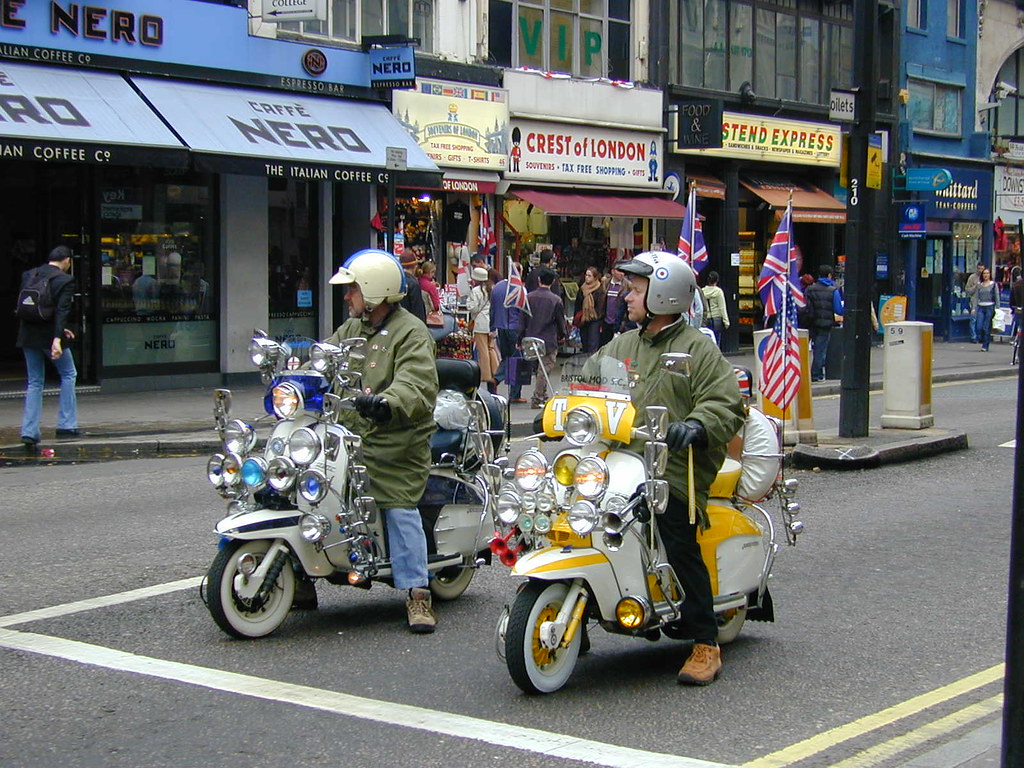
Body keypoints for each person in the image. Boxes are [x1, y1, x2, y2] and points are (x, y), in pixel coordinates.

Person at [598, 251, 744, 685]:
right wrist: (563, 405)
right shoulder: (623, 344)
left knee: (676, 536)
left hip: (674, 465)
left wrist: (696, 425)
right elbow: (589, 381)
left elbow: (725, 402)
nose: (627, 297)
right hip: (622, 460)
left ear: (663, 295)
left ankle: (705, 643)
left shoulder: (698, 348)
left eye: (637, 290)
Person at [325, 249, 440, 633]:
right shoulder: (352, 330)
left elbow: (417, 381)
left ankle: (417, 593)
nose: (347, 297)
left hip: (395, 441)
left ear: (374, 291)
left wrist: (388, 401)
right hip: (349, 435)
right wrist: (296, 375)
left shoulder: (411, 332)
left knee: (398, 505)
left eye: (353, 290)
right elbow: (326, 359)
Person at [17, 245, 79, 448]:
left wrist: (62, 331)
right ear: (66, 260)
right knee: (69, 373)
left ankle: (29, 431)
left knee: (35, 382)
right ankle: (66, 424)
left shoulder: (29, 274)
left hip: (28, 335)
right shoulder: (65, 280)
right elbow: (61, 310)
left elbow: (32, 307)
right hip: (49, 337)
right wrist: (57, 339)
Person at [519, 268, 566, 408]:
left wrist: (519, 338)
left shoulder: (529, 297)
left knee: (538, 369)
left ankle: (541, 394)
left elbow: (522, 319)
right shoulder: (556, 300)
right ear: (552, 282)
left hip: (531, 336)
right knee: (545, 368)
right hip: (548, 339)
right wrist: (563, 335)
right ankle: (538, 396)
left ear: (539, 280)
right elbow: (560, 321)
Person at [490, 269, 525, 402]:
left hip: (500, 326)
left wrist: (492, 326)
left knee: (506, 357)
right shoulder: (519, 288)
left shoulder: (497, 287)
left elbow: (492, 309)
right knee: (516, 360)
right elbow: (523, 311)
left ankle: (496, 379)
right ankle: (513, 393)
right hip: (514, 327)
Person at [805, 265, 844, 382]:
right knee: (820, 350)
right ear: (829, 275)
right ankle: (816, 374)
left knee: (802, 348)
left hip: (810, 322)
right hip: (825, 324)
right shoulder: (833, 291)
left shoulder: (810, 289)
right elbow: (838, 310)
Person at [467, 266, 500, 391]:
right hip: (491, 322)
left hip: (480, 323)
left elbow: (473, 308)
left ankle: (486, 375)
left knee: (482, 350)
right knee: (491, 348)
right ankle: (496, 371)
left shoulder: (476, 291)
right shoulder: (492, 289)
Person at [574, 265, 606, 353]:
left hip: (594, 320)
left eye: (589, 276)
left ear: (595, 277)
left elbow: (601, 307)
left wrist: (594, 317)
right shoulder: (582, 288)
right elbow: (577, 304)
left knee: (592, 343)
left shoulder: (599, 290)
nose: (587, 278)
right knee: (584, 342)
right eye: (586, 275)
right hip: (583, 319)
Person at [701, 270, 730, 347]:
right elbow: (722, 307)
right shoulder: (718, 291)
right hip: (716, 319)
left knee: (707, 340)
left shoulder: (702, 291)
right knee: (716, 340)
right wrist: (726, 321)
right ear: (717, 280)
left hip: (706, 318)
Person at [974, 267, 1000, 352]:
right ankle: (982, 339)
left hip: (990, 306)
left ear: (990, 275)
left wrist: (997, 307)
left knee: (986, 327)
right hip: (981, 306)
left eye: (987, 273)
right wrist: (974, 308)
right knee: (979, 326)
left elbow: (996, 296)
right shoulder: (979, 285)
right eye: (984, 273)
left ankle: (985, 345)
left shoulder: (993, 284)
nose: (986, 275)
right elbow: (976, 297)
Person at [601, 266, 627, 344]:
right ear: (613, 271)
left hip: (618, 322)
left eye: (623, 271)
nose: (622, 274)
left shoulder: (628, 285)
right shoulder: (605, 283)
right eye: (619, 271)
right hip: (606, 321)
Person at [398, 252, 426, 323]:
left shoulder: (396, 280)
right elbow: (418, 311)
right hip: (410, 325)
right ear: (415, 266)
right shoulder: (413, 284)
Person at [965, 263, 985, 343]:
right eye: (979, 269)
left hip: (984, 302)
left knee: (981, 320)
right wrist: (975, 287)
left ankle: (980, 336)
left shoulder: (986, 277)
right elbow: (967, 290)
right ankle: (973, 337)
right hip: (974, 301)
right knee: (973, 319)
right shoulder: (972, 277)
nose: (980, 271)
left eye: (982, 269)